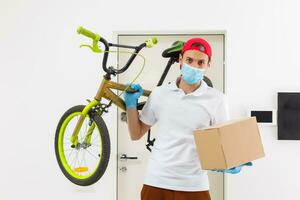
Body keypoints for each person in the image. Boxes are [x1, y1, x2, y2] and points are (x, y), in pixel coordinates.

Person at [124, 38, 252, 200]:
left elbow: (222, 144)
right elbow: (136, 134)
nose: (194, 66)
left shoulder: (217, 99)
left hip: (195, 185)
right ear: (180, 60)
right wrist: (130, 105)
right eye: (189, 60)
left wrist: (230, 162)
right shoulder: (160, 94)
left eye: (201, 62)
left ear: (208, 65)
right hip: (157, 181)